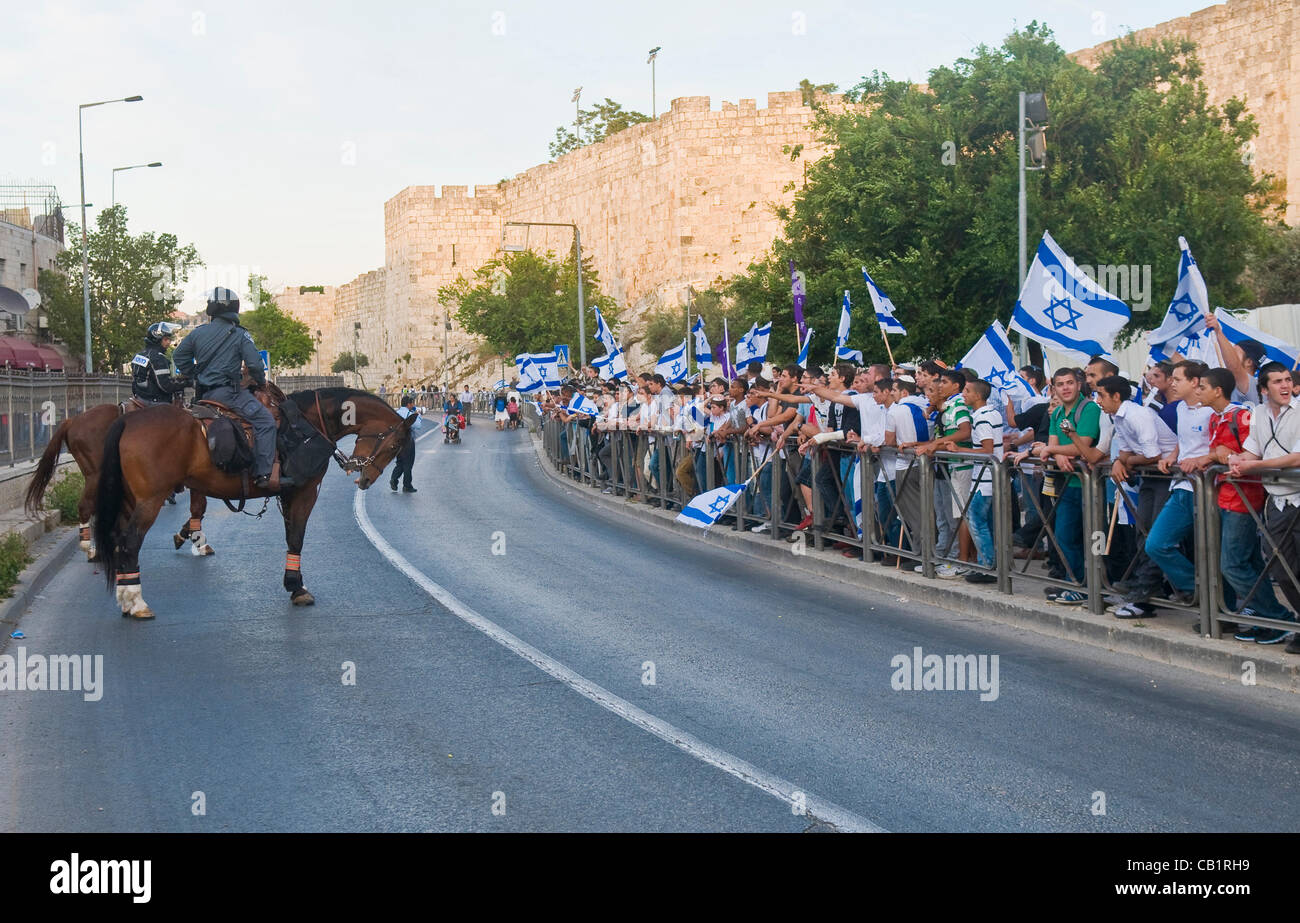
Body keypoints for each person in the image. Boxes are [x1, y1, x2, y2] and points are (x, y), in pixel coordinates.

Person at [173, 287, 281, 490]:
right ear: (234, 309)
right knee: (265, 421)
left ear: (211, 309)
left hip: (204, 395)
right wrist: (260, 381)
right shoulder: (240, 335)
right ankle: (262, 474)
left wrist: (195, 373)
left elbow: (178, 357)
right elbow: (256, 365)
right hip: (230, 394)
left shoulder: (197, 333)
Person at [1229, 362, 1300, 654]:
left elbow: (1297, 458)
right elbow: (1253, 449)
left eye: (1287, 380)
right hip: (1277, 500)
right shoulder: (1257, 413)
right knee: (1281, 567)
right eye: (1277, 382)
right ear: (1263, 389)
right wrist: (1238, 459)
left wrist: (1253, 465)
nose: (1285, 386)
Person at [131, 322, 187, 405]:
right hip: (156, 401)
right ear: (157, 339)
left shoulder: (138, 355)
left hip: (139, 397)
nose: (168, 342)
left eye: (169, 339)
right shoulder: (158, 358)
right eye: (165, 339)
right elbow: (165, 386)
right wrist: (186, 383)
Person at [390, 395, 422, 493]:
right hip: (407, 440)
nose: (413, 405)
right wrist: (418, 415)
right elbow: (418, 425)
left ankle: (394, 479)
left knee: (400, 462)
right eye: (412, 403)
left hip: (397, 441)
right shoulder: (409, 414)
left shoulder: (396, 413)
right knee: (408, 463)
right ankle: (407, 485)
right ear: (408, 404)